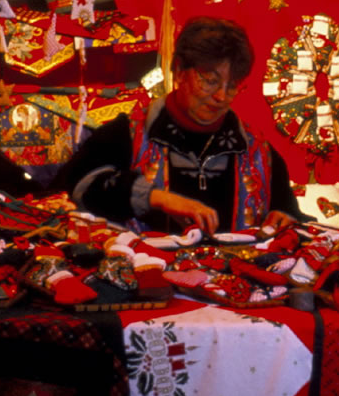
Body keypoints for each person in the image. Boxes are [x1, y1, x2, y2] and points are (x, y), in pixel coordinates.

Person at [54, 16, 303, 235]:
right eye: (210, 81)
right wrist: (155, 197)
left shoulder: (257, 152)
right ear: (180, 70)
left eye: (233, 86)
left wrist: (286, 219)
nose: (221, 96)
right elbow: (77, 186)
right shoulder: (125, 135)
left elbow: (288, 211)